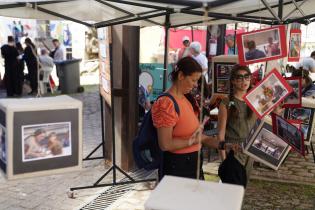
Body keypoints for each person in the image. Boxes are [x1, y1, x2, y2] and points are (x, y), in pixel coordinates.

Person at [151, 57, 236, 180]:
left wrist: (225, 145)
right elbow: (165, 144)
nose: (196, 84)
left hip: (193, 162)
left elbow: (201, 137)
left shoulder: (186, 99)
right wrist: (192, 141)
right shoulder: (166, 103)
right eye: (193, 80)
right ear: (181, 76)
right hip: (177, 166)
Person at [217, 65, 257, 178]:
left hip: (250, 151)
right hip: (233, 152)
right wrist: (224, 160)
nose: (244, 81)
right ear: (233, 81)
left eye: (247, 77)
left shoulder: (255, 100)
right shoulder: (227, 103)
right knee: (233, 188)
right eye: (239, 77)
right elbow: (220, 134)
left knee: (243, 189)